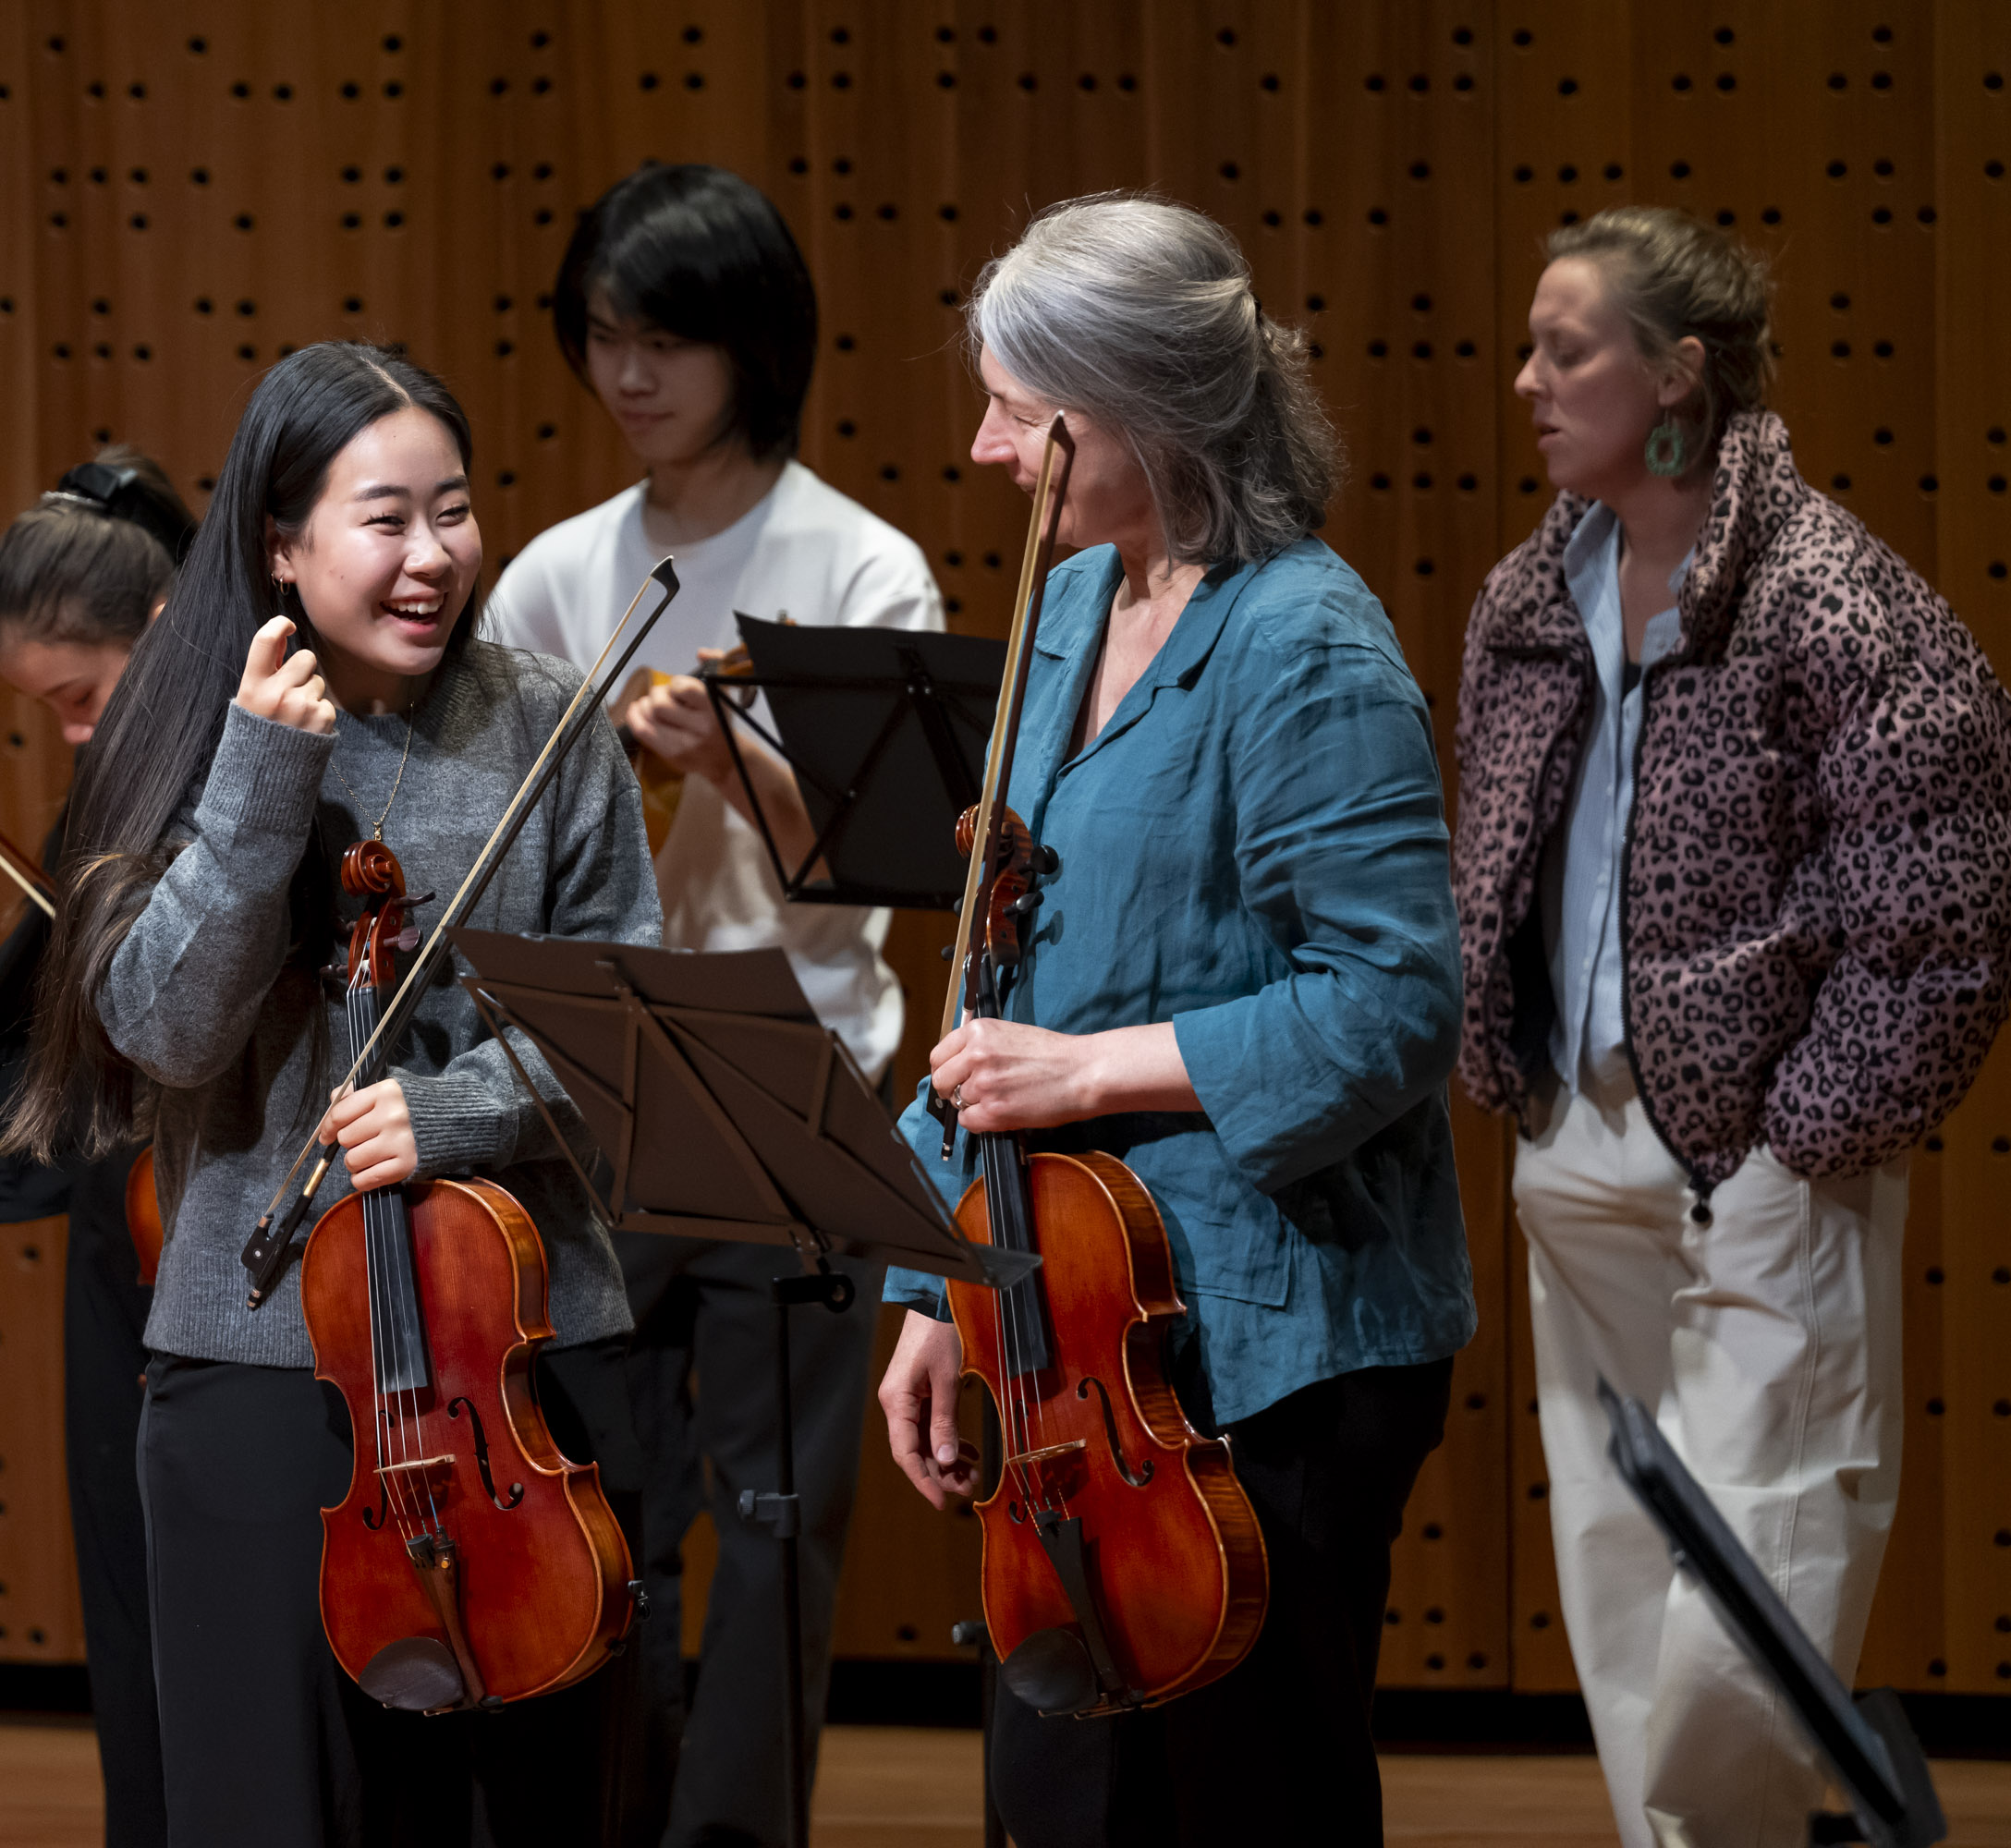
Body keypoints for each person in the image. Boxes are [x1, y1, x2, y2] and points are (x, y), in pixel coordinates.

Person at [870, 195, 1476, 1847]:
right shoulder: (1069, 603)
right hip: (1070, 1321)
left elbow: (1400, 1003)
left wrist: (1092, 1074)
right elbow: (992, 976)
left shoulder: (1306, 645)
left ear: (1133, 411)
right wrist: (940, 1284)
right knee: (1065, 1798)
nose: (988, 446)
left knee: (1238, 1801)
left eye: (1019, 411)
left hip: (1268, 1336)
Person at [1, 342, 662, 1848]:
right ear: (281, 544)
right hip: (254, 1359)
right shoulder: (185, 734)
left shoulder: (551, 721)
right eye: (386, 518)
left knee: (522, 1806)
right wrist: (257, 792)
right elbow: (168, 1033)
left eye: (456, 508)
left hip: (522, 1362)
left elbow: (625, 1021)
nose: (434, 555)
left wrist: (469, 1106)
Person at [1451, 206, 2011, 1848]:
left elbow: (1941, 922)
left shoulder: (1836, 603)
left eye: (1567, 351)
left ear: (1678, 373)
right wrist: (1520, 1080)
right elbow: (1491, 847)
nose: (1525, 383)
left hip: (1762, 1157)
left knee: (1759, 1577)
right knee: (1624, 1581)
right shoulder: (1527, 595)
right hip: (1576, 1143)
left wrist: (1800, 1142)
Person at [484, 162, 943, 1848]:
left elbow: (888, 867)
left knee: (772, 1517)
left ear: (753, 346)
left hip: (791, 1083)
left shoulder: (862, 566)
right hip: (595, 1084)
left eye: (665, 341)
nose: (628, 378)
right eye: (604, 338)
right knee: (596, 1497)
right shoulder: (549, 576)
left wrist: (735, 761)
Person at [0, 445, 198, 1847]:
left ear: (165, 633)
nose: (73, 734)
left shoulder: (263, 758)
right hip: (127, 1218)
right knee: (129, 1589)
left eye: (82, 698)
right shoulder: (121, 782)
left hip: (247, 1233)